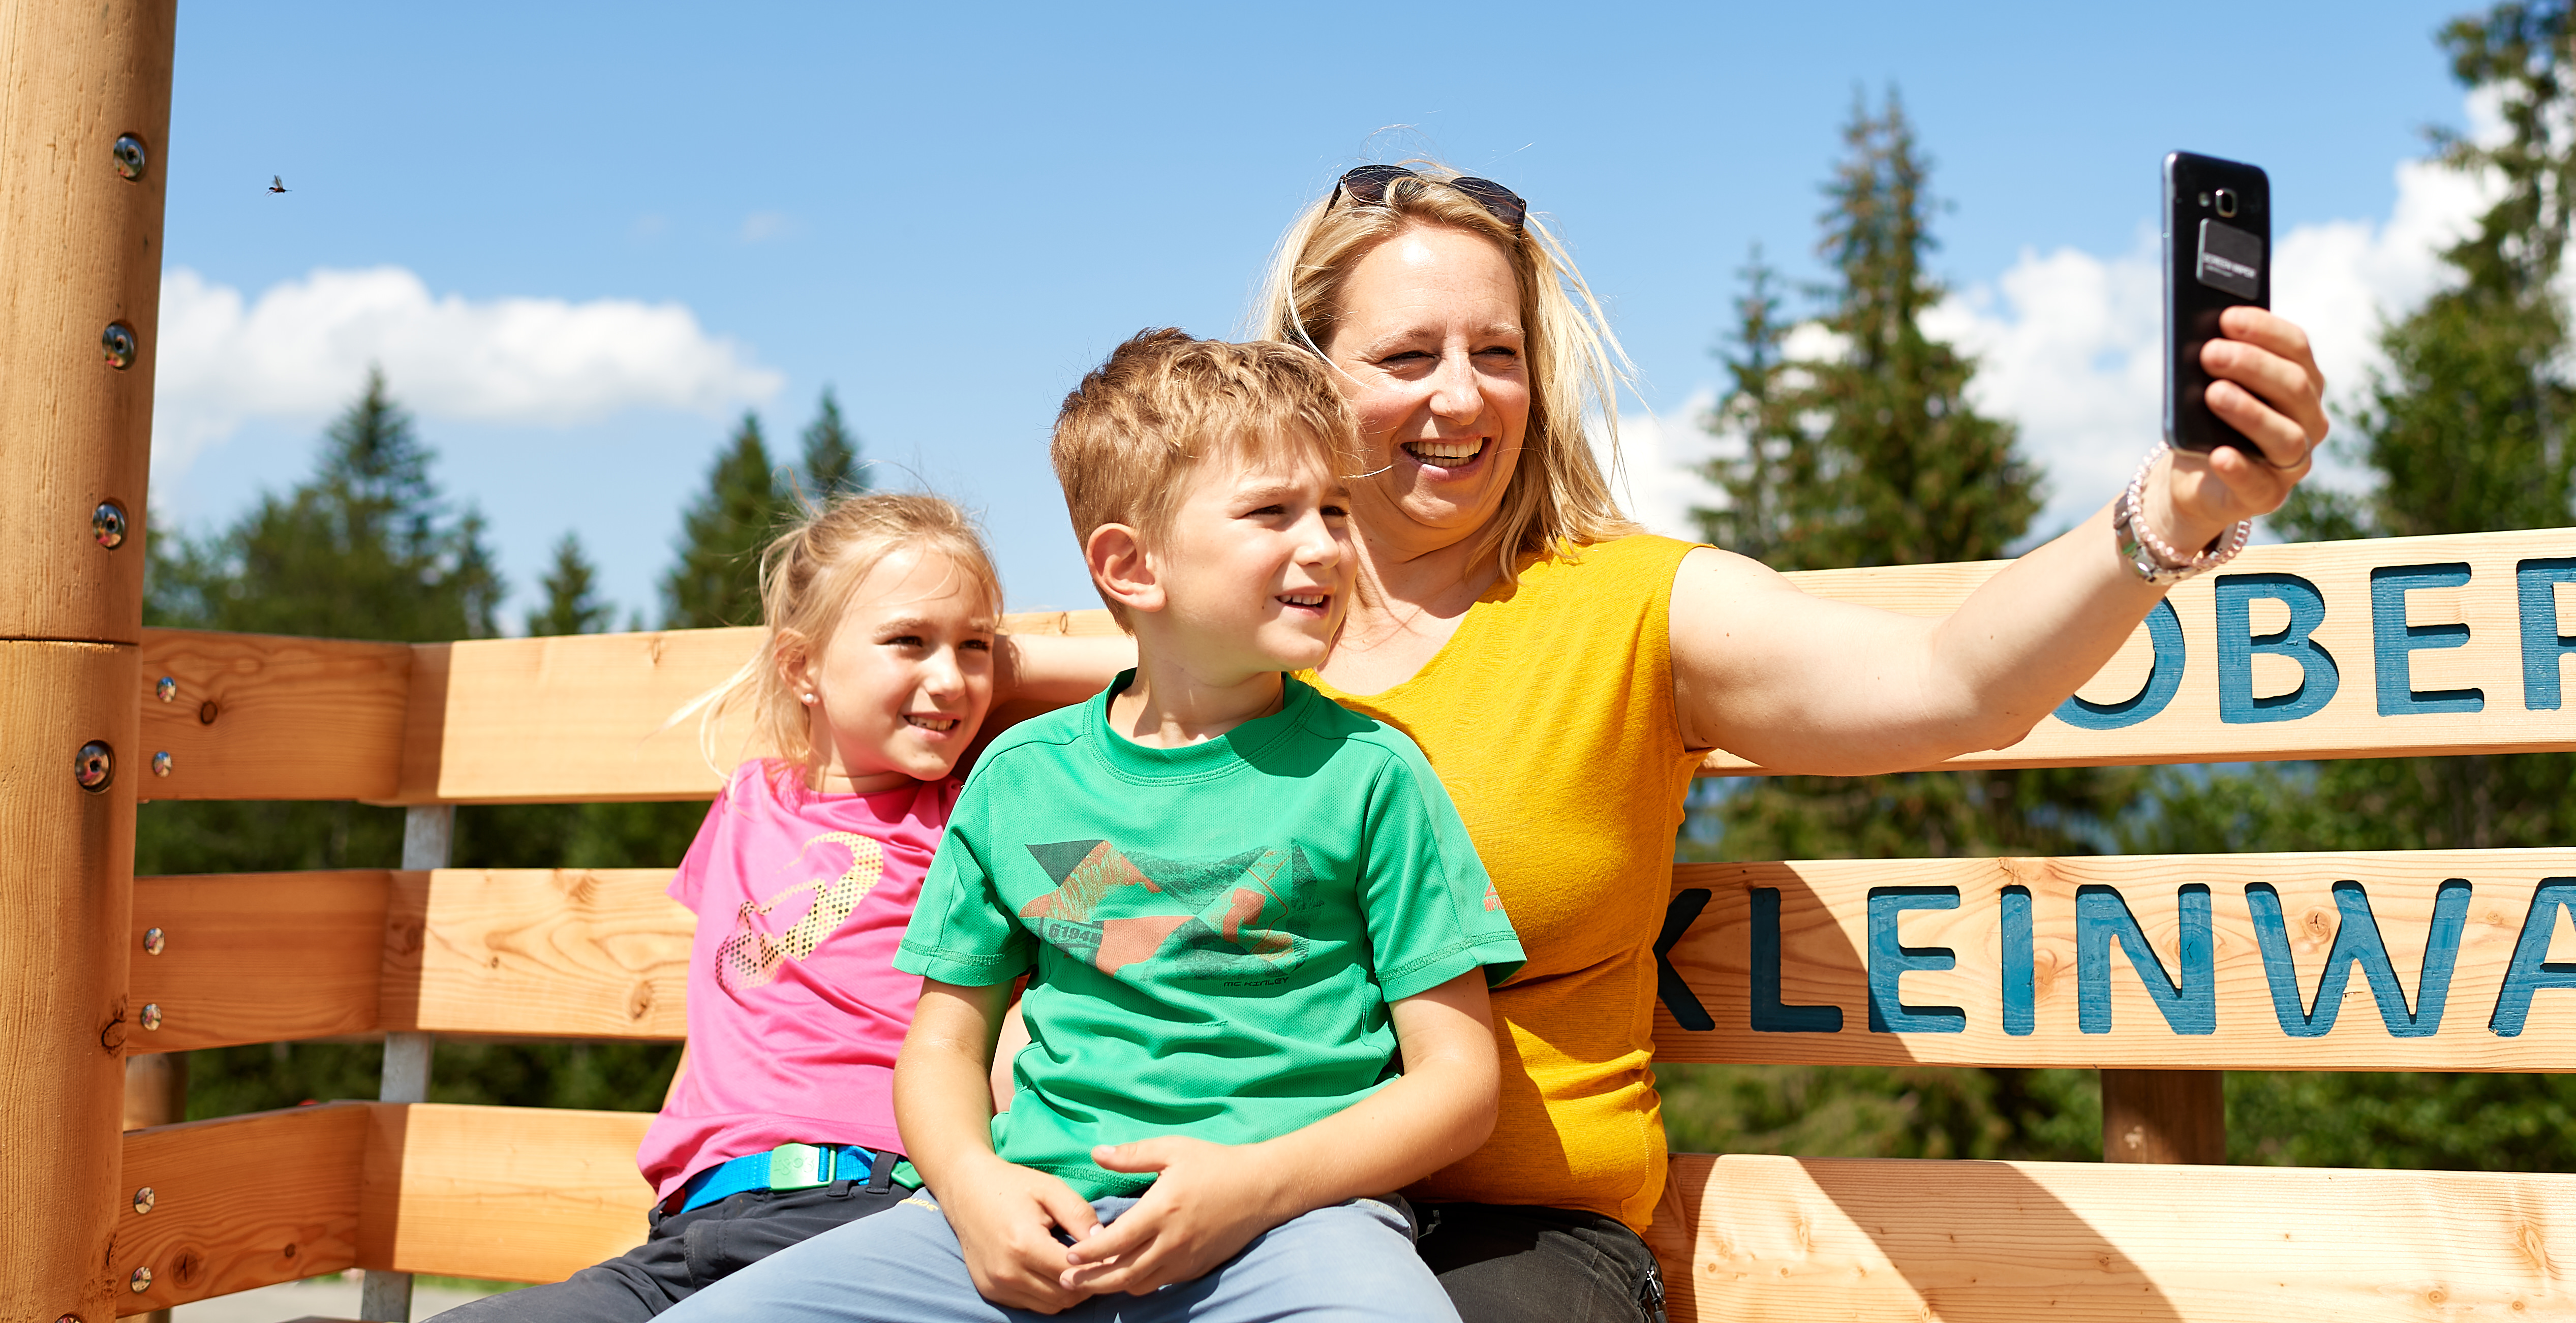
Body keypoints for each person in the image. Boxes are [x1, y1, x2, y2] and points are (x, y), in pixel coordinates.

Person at [1239, 161, 2332, 1322]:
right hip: (1253, 1216)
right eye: (1408, 357)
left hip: (1526, 1250)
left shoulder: (1633, 610)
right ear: (1305, 378)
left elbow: (1951, 682)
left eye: (1498, 354)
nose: (1461, 398)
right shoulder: (1222, 636)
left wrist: (2171, 512)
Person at [660, 330, 1527, 1323]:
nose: (1327, 541)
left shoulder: (1372, 775)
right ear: (1131, 564)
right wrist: (975, 1187)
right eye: (1273, 511)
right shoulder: (1020, 780)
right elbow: (942, 1047)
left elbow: (1459, 1084)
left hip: (1296, 1226)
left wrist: (1262, 1184)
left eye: (1335, 507)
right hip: (1039, 1219)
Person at [453, 492, 1034, 1321]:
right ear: (802, 668)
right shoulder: (750, 802)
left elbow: (1148, 676)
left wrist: (1004, 669)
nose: (949, 678)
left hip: (866, 1213)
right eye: (908, 640)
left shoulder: (971, 813)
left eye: (975, 646)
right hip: (689, 1235)